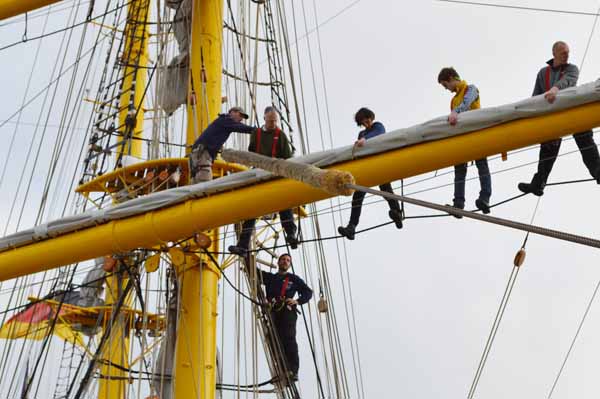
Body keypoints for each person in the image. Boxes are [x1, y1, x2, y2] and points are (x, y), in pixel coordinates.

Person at [518, 41, 600, 196]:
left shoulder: (572, 69)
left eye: (568, 53)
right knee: (548, 148)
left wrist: (555, 89)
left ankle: (598, 171)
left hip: (572, 112)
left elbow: (568, 81)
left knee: (585, 140)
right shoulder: (543, 73)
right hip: (553, 117)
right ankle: (539, 183)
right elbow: (536, 96)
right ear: (554, 54)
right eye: (563, 53)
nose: (567, 55)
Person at [229, 107, 298, 255]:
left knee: (284, 204)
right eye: (270, 120)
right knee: (253, 210)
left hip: (275, 174)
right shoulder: (256, 134)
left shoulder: (281, 136)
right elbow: (252, 153)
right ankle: (243, 246)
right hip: (259, 175)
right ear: (264, 119)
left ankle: (291, 234)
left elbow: (287, 158)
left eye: (275, 120)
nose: (273, 123)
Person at [337, 107, 403, 240]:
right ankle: (352, 227)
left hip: (379, 164)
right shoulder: (361, 134)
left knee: (385, 189)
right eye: (363, 121)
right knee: (357, 197)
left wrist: (364, 140)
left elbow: (378, 134)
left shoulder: (377, 126)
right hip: (366, 167)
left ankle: (396, 212)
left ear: (371, 117)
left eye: (367, 119)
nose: (366, 122)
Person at [438, 67, 492, 216]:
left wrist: (456, 112)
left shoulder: (471, 89)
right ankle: (458, 204)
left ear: (450, 79)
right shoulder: (453, 100)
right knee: (459, 170)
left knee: (482, 165)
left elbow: (467, 103)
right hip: (462, 138)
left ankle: (485, 198)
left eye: (445, 85)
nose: (446, 89)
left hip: (476, 134)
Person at [257, 253, 312, 381]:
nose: (285, 262)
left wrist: (297, 301)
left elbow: (308, 292)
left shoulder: (293, 279)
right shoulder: (270, 278)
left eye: (288, 260)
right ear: (278, 262)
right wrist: (248, 256)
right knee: (273, 339)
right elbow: (255, 272)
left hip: (287, 311)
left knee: (288, 337)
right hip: (273, 311)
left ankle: (292, 370)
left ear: (290, 264)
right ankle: (282, 370)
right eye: (283, 259)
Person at [188, 106, 255, 183]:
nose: (241, 119)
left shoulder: (222, 121)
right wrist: (256, 130)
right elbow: (241, 128)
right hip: (202, 156)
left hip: (197, 156)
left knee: (195, 183)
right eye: (240, 115)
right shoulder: (226, 120)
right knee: (204, 183)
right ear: (232, 112)